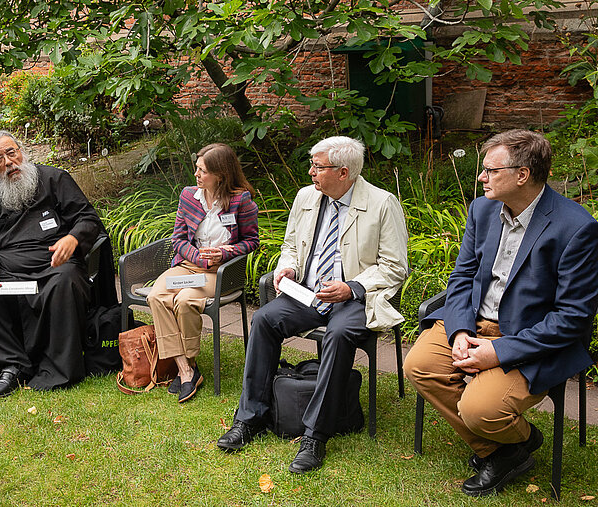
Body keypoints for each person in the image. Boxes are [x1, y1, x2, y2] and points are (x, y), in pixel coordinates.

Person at [404, 129, 598, 497]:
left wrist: (497, 352)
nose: (482, 177)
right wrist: (459, 331)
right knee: (420, 366)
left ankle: (503, 441)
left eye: (491, 170)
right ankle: (510, 448)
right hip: (472, 321)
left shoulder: (576, 228)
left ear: (521, 175)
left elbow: (572, 316)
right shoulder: (483, 209)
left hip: (526, 337)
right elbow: (462, 276)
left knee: (480, 410)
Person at [217, 136, 408, 473]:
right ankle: (250, 418)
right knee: (263, 319)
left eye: (318, 167)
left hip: (355, 299)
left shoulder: (382, 203)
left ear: (344, 172)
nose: (311, 173)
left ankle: (314, 436)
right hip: (309, 293)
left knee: (338, 335)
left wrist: (352, 287)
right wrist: (287, 266)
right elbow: (291, 244)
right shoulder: (307, 197)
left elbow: (395, 266)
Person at [0, 130, 110, 398]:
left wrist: (72, 238)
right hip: (8, 270)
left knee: (64, 280)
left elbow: (88, 219)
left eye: (11, 153)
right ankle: (12, 365)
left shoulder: (55, 179)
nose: (8, 162)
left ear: (22, 151)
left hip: (53, 264)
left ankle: (55, 367)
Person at [146, 143, 259, 403]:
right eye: (197, 168)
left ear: (221, 174)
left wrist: (224, 254)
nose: (196, 175)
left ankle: (188, 367)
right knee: (157, 297)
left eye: (203, 171)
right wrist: (197, 257)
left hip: (220, 273)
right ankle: (186, 369)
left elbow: (252, 241)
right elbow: (178, 239)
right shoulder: (188, 196)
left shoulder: (241, 201)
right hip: (188, 266)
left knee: (185, 300)